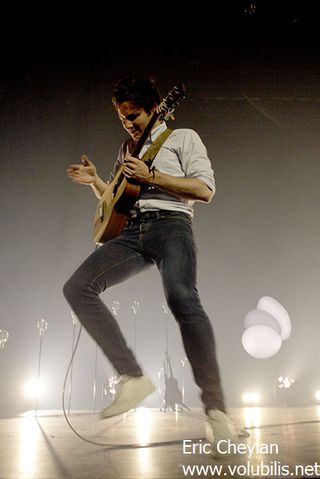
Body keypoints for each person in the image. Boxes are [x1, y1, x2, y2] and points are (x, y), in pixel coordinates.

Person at [63, 77, 238, 453]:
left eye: (134, 115)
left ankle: (217, 412)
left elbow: (205, 190)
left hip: (172, 226)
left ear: (156, 108)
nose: (128, 123)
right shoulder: (128, 148)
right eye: (122, 118)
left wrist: (153, 175)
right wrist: (97, 182)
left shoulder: (182, 138)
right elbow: (117, 199)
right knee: (76, 287)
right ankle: (132, 376)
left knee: (182, 299)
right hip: (132, 232)